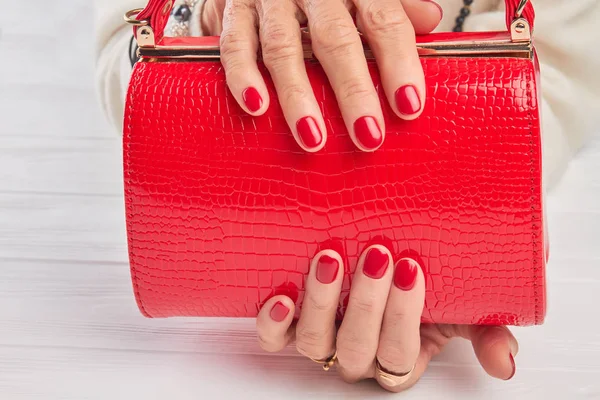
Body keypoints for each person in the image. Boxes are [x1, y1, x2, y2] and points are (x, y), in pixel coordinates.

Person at [94, 0, 600, 392]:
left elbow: (563, 72)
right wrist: (211, 13)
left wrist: (487, 175)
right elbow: (129, 54)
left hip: (474, 166)